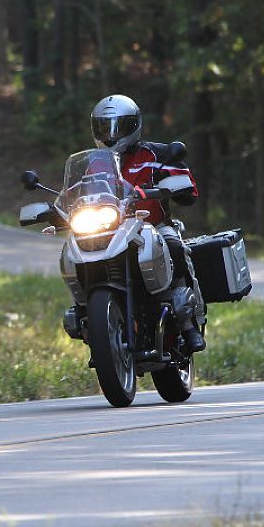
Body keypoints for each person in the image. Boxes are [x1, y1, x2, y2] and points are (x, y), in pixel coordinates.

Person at [90, 94, 206, 352]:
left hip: (153, 225)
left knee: (174, 247)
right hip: (110, 229)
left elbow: (187, 187)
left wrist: (174, 187)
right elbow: (78, 191)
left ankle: (187, 325)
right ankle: (89, 315)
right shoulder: (94, 163)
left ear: (133, 126)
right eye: (104, 127)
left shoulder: (158, 154)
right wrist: (58, 207)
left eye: (118, 127)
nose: (110, 134)